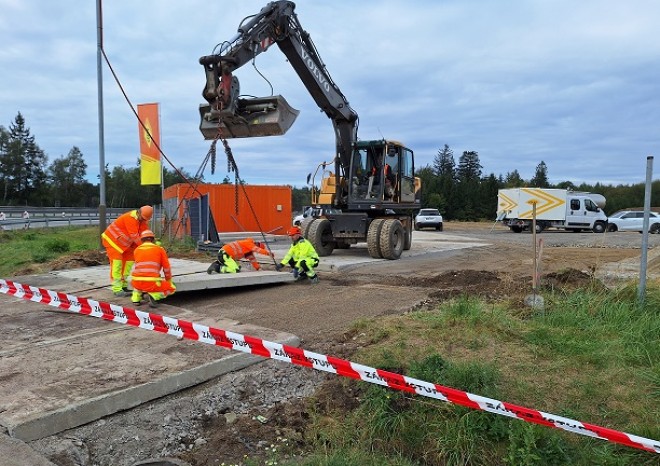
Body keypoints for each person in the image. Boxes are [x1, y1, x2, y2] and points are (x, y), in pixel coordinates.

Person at [101, 205, 153, 297]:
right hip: (112, 241)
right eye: (143, 218)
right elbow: (135, 236)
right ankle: (117, 289)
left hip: (125, 244)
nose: (143, 220)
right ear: (139, 212)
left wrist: (153, 244)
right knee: (117, 264)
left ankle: (124, 286)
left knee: (128, 263)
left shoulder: (143, 221)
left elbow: (145, 234)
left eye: (145, 219)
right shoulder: (129, 218)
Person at [130, 229, 175, 308]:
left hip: (136, 281)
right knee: (172, 288)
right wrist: (169, 280)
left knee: (138, 287)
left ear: (142, 240)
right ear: (152, 239)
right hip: (152, 282)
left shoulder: (136, 250)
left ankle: (135, 299)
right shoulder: (159, 249)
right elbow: (166, 267)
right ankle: (154, 296)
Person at [207, 237, 274, 274]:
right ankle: (217, 267)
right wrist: (268, 253)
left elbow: (253, 260)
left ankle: (218, 263)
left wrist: (258, 268)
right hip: (225, 254)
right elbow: (257, 250)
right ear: (257, 245)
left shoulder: (248, 251)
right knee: (235, 270)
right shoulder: (249, 243)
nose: (255, 252)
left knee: (238, 268)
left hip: (226, 255)